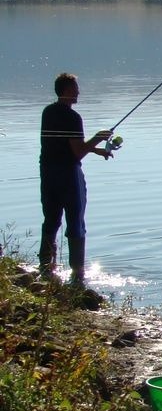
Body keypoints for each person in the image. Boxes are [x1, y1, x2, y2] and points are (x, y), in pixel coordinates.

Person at [39, 73, 113, 284]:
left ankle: (45, 267)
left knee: (51, 219)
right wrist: (98, 137)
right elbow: (77, 153)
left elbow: (63, 146)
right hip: (68, 175)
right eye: (75, 88)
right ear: (66, 90)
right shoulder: (73, 117)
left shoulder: (48, 112)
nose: (78, 91)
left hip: (48, 172)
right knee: (76, 222)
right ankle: (77, 274)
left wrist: (96, 150)